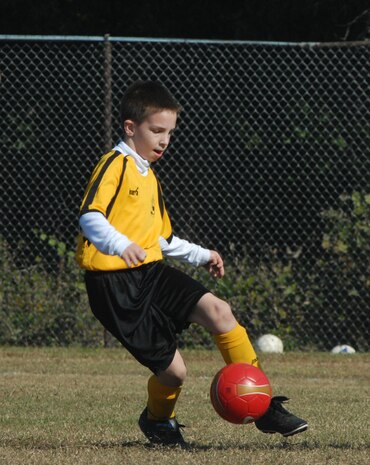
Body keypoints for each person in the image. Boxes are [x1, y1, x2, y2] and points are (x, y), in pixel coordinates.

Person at [76, 80, 308, 446]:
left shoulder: (149, 175)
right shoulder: (115, 165)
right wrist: (120, 245)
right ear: (130, 128)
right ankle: (157, 420)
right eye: (156, 131)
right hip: (114, 286)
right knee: (174, 374)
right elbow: (89, 216)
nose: (165, 140)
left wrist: (203, 255)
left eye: (170, 132)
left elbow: (162, 240)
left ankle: (263, 406)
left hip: (149, 272)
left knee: (219, 311)